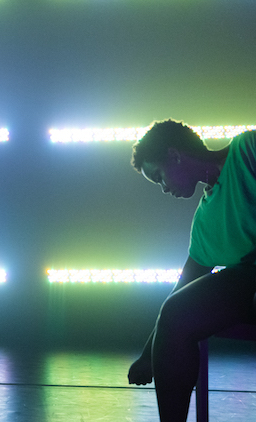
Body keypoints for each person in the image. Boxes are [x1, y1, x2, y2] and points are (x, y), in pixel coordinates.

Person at [127, 119, 256, 421]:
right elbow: (181, 290)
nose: (163, 188)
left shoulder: (247, 148)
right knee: (179, 311)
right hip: (249, 287)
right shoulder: (205, 221)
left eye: (159, 176)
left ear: (175, 156)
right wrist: (149, 355)